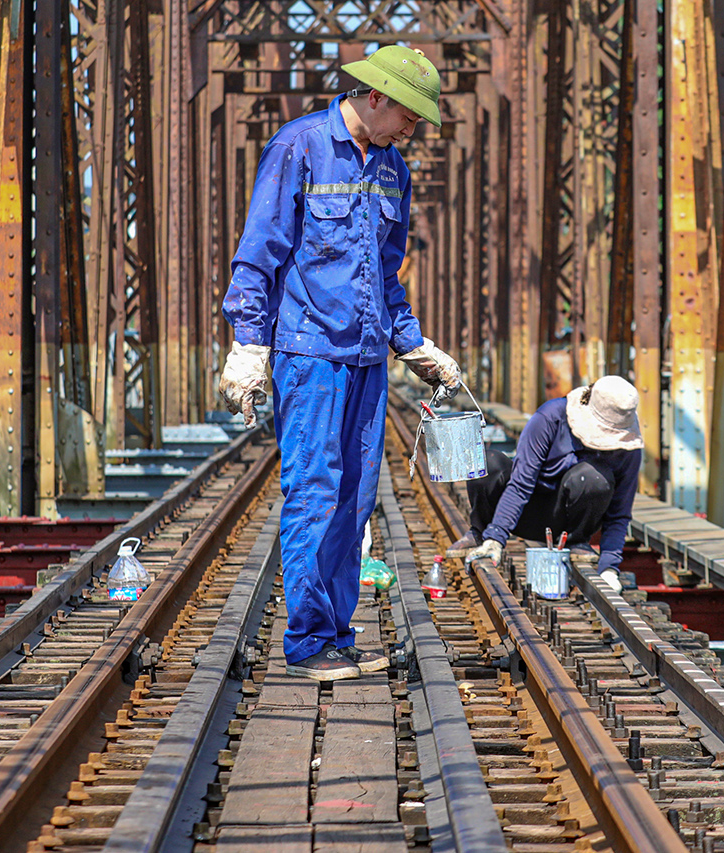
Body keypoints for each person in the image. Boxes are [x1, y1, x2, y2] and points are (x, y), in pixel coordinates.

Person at [218, 44, 463, 683]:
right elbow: (259, 253)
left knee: (356, 499)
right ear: (375, 97)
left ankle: (335, 634)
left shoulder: (392, 170)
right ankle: (306, 642)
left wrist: (412, 343)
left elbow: (386, 273)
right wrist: (249, 343)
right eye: (409, 116)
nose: (413, 130)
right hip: (309, 354)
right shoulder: (298, 147)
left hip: (367, 358)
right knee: (314, 492)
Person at [460, 377, 642, 578]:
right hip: (525, 513)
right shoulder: (551, 416)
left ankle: (577, 543)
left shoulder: (628, 449)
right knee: (488, 463)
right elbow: (521, 484)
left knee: (593, 477)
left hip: (565, 524)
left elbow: (619, 513)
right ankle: (481, 532)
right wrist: (496, 536)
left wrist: (609, 567)